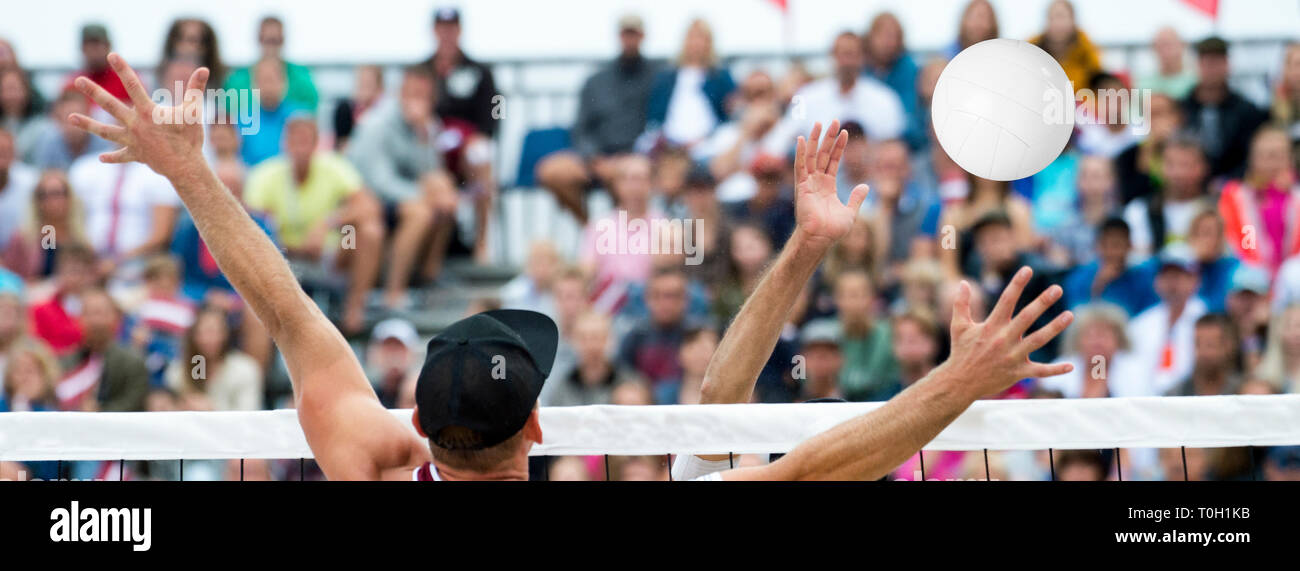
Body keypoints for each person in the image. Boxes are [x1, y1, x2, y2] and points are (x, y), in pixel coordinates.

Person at [68, 59, 1073, 481]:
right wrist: (961, 378)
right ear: (540, 426)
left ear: (416, 427)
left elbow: (286, 308)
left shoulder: (367, 459)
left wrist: (192, 172)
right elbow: (809, 464)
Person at [347, 65, 493, 287]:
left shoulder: (428, 125)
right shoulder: (377, 124)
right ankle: (393, 292)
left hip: (401, 197)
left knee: (444, 192)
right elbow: (379, 183)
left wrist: (423, 137)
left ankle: (428, 276)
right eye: (413, 94)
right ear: (401, 93)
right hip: (367, 200)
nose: (419, 102)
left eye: (424, 96)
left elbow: (432, 172)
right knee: (421, 212)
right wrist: (426, 196)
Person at [243, 114, 384, 333]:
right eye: (295, 141)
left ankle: (354, 307)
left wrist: (329, 223)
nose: (300, 148)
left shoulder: (333, 167)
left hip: (331, 256)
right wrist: (295, 247)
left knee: (367, 231)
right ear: (285, 143)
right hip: (282, 256)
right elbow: (252, 222)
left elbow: (369, 206)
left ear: (316, 143)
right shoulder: (266, 174)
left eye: (306, 141)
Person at [536, 14, 659, 222]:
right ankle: (592, 232)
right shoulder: (596, 81)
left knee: (629, 175)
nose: (629, 39)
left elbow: (659, 124)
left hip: (638, 157)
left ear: (642, 36)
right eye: (625, 33)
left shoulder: (657, 78)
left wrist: (633, 158)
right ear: (619, 36)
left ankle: (628, 241)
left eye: (634, 34)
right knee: (551, 172)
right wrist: (594, 158)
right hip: (597, 158)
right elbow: (581, 127)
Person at [765, 32, 905, 158]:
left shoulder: (885, 99)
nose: (846, 62)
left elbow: (892, 150)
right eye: (842, 54)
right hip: (818, 179)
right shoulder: (806, 97)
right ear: (832, 56)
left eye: (852, 54)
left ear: (863, 57)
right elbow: (780, 140)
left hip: (869, 182)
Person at [1126, 245, 1208, 395]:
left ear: (1195, 280)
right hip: (1147, 403)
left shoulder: (1206, 320)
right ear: (1157, 281)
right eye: (1167, 276)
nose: (1172, 283)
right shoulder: (1140, 324)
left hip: (1192, 401)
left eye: (1179, 276)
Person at [1219, 126, 1300, 276]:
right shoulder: (1236, 196)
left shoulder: (1296, 198)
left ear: (1290, 159)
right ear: (1251, 159)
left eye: (1276, 155)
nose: (1270, 163)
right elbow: (1243, 241)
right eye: (1263, 156)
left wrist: (1279, 196)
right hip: (1250, 276)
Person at [1181, 36, 1267, 178]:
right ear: (1197, 65)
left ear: (1227, 64)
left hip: (1235, 186)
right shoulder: (1182, 109)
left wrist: (1229, 180)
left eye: (1217, 62)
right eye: (1207, 62)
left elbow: (1253, 156)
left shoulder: (1247, 111)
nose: (1212, 69)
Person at [646, 19, 735, 149]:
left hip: (709, 143)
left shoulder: (720, 76)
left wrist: (707, 137)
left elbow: (728, 114)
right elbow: (655, 115)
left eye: (702, 38)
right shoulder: (666, 77)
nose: (696, 43)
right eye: (693, 37)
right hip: (670, 144)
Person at [56, 288, 149, 412]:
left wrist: (99, 413)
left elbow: (134, 403)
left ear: (116, 318)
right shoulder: (65, 362)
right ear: (79, 319)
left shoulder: (133, 362)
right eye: (89, 313)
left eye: (100, 313)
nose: (95, 321)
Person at [1122, 134, 1214, 256]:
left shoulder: (1219, 209)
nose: (1178, 173)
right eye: (1171, 164)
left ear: (1204, 168)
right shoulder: (1139, 210)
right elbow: (1135, 260)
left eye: (1186, 165)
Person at [1039, 302, 1149, 397]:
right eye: (1090, 335)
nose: (1097, 342)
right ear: (1077, 341)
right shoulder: (1059, 369)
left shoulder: (1138, 371)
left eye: (1103, 335)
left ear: (1119, 340)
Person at [165, 305, 263, 411]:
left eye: (213, 332)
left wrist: (211, 410)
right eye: (201, 332)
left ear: (225, 334)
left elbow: (248, 414)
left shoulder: (244, 369)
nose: (207, 339)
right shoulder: (179, 371)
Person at [423, 7, 499, 137]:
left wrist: (484, 134)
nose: (446, 35)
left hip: (470, 137)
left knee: (479, 154)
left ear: (459, 30)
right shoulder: (421, 70)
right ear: (434, 31)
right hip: (429, 136)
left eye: (451, 29)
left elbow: (498, 102)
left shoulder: (480, 71)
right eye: (442, 29)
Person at [1061, 217, 1157, 316]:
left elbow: (1150, 316)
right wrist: (1099, 284)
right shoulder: (1078, 279)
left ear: (1129, 246)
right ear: (1098, 246)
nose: (1113, 252)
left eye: (1118, 245)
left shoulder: (1143, 277)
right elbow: (1076, 319)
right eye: (1107, 245)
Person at [224, 16, 318, 112]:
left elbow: (310, 115)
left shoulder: (302, 80)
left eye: (276, 41)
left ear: (283, 41)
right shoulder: (236, 82)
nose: (271, 47)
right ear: (259, 39)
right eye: (267, 40)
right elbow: (226, 118)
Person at [863, 12, 924, 151]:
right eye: (882, 35)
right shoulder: (861, 70)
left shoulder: (910, 70)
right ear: (871, 37)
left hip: (901, 144)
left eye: (893, 36)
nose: (888, 42)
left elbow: (909, 115)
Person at [1030, 0, 1101, 90]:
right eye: (1052, 18)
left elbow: (1098, 83)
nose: (1057, 23)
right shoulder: (1032, 49)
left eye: (1062, 17)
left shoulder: (1087, 50)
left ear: (1072, 20)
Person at [1165, 314, 1243, 396]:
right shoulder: (1174, 396)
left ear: (1229, 346)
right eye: (1197, 344)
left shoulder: (1244, 392)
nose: (1203, 352)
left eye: (1211, 344)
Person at [160, 18, 226, 87]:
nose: (185, 46)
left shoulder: (221, 84)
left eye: (193, 40)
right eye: (180, 38)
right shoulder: (158, 79)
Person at [332, 65, 384, 150]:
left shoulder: (385, 115)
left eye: (368, 83)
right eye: (360, 82)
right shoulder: (344, 110)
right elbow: (341, 146)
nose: (362, 87)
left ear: (379, 87)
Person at [1141, 27, 1198, 99]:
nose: (1164, 51)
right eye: (1159, 46)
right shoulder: (1143, 84)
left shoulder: (1196, 81)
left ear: (1183, 46)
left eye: (1169, 45)